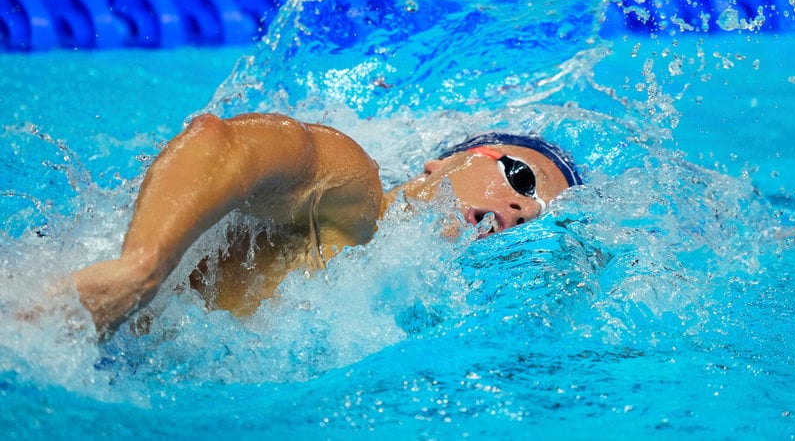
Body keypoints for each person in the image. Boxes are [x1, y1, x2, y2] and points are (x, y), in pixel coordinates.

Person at [72, 112, 582, 335]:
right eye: (521, 179)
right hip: (71, 307)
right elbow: (221, 144)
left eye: (536, 219)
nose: (523, 210)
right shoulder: (352, 194)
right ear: (445, 162)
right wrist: (141, 267)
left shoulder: (402, 311)